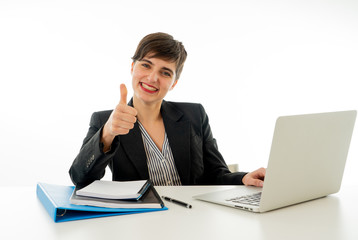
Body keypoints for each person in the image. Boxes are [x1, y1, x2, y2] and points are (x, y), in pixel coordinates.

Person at [69, 32, 265, 189]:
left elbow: (216, 174)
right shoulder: (106, 120)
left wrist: (243, 178)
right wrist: (108, 133)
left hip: (193, 217)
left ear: (173, 83)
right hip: (137, 222)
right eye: (146, 65)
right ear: (132, 67)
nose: (153, 78)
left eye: (165, 72)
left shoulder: (195, 115)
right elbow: (80, 179)